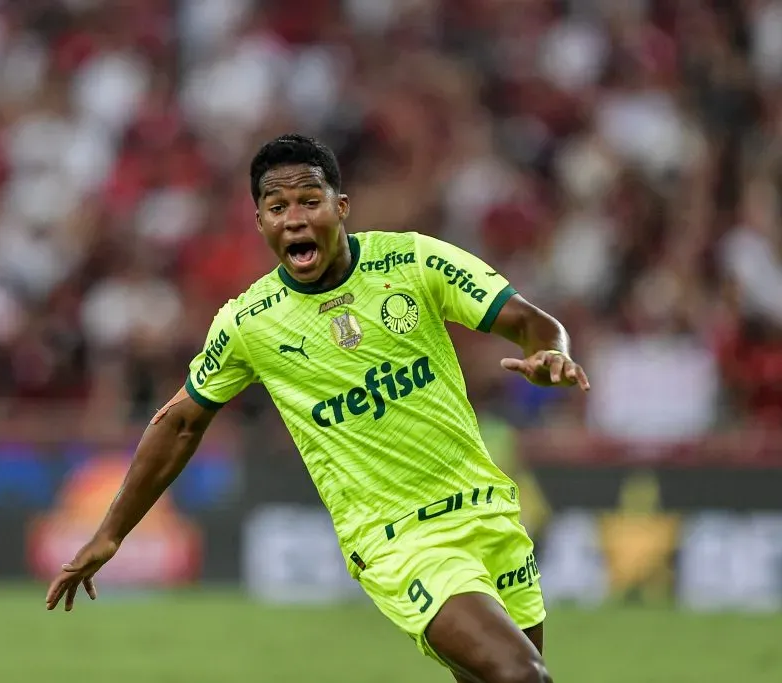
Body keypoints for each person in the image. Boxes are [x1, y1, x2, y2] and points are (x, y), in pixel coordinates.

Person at [45, 134, 589, 683]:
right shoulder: (249, 323)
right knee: (522, 676)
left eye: (310, 201)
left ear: (341, 207)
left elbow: (527, 320)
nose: (295, 219)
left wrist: (551, 352)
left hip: (489, 513)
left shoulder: (413, 261)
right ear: (260, 223)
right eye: (277, 208)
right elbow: (181, 422)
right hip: (398, 540)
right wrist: (112, 531)